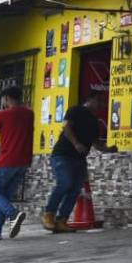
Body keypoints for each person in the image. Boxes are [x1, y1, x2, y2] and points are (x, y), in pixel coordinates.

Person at [43, 93, 117, 232]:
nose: (101, 104)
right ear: (89, 99)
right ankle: (49, 216)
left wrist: (108, 149)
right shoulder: (75, 110)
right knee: (65, 183)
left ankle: (62, 220)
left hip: (79, 159)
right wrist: (76, 143)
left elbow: (95, 143)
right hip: (63, 155)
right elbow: (66, 127)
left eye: (103, 102)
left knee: (75, 189)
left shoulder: (95, 121)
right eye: (99, 100)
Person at [0, 87, 34, 240]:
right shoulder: (29, 114)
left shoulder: (2, 115)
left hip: (6, 160)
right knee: (4, 196)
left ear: (6, 98)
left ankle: (14, 214)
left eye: (3, 99)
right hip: (23, 162)